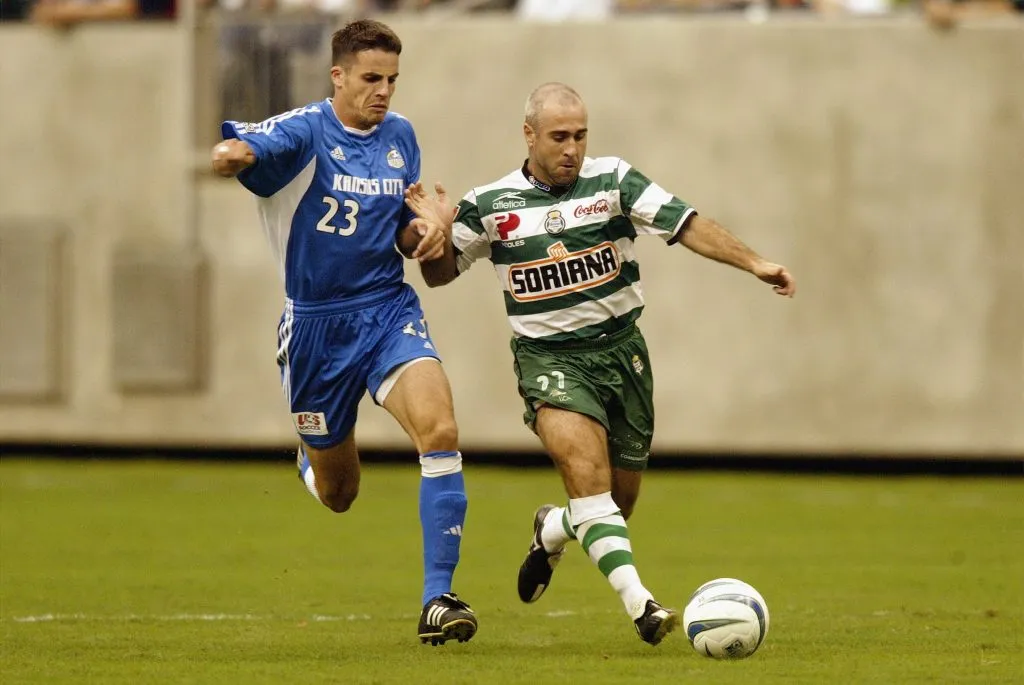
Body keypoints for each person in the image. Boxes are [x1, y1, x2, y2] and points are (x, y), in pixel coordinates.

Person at [403, 82, 795, 646]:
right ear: (529, 135)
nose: (572, 148)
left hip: (622, 355)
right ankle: (644, 607)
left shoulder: (613, 180)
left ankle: (553, 530)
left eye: (581, 135)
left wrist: (755, 262)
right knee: (588, 479)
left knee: (614, 507)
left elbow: (687, 224)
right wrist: (438, 236)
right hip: (549, 360)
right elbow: (438, 275)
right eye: (560, 137)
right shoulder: (490, 204)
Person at [210, 19, 477, 647]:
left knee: (440, 429)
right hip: (315, 331)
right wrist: (232, 154)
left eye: (392, 80)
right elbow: (251, 147)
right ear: (338, 76)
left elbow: (401, 232)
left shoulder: (401, 136)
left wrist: (428, 231)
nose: (383, 92)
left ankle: (438, 598)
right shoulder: (305, 131)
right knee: (339, 494)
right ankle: (312, 458)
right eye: (371, 79)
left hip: (387, 309)